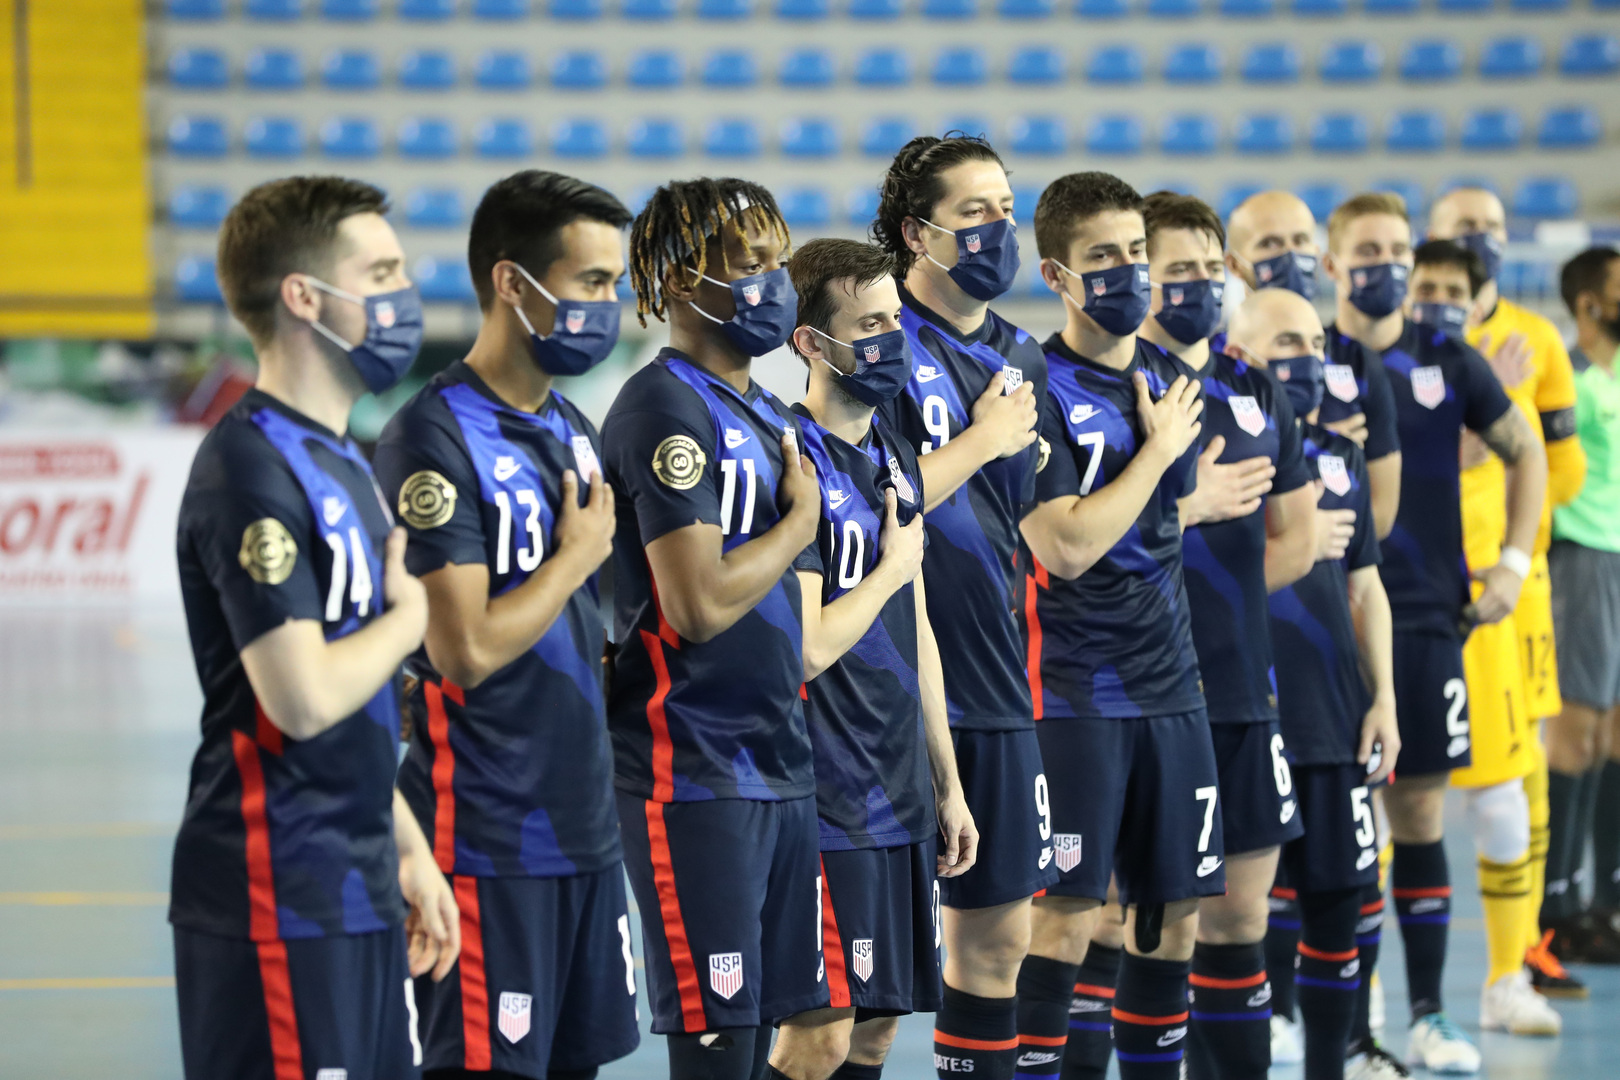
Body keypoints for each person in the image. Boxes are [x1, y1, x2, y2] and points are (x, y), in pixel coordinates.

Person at [171, 177, 459, 1080]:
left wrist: (407, 849)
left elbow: (361, 704)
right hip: (277, 893)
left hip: (358, 882)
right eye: (380, 272)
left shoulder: (343, 455)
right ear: (304, 297)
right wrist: (410, 616)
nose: (404, 295)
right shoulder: (248, 469)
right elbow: (301, 698)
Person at [373, 171, 640, 1080]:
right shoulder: (432, 438)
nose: (611, 306)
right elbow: (464, 652)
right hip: (486, 840)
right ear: (512, 284)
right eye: (591, 282)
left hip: (584, 833)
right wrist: (578, 554)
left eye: (616, 285)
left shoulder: (571, 424)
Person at [602, 178, 826, 1080]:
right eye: (749, 267)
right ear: (677, 282)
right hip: (691, 767)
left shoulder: (767, 410)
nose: (773, 283)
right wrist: (795, 530)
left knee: (807, 1028)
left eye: (778, 263)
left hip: (779, 760)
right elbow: (693, 606)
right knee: (720, 1041)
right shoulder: (664, 408)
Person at [1326, 196, 1549, 1074]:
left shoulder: (1446, 357)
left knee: (1417, 815)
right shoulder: (1306, 356)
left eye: (1395, 250)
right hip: (1320, 622)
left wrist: (1514, 566)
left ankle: (1428, 1016)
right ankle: (1350, 1023)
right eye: (1366, 251)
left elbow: (1525, 450)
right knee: (1338, 829)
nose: (1382, 265)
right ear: (1335, 262)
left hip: (1423, 618)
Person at [1019, 171, 1218, 1080]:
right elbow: (1066, 546)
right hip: (1075, 690)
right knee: (1065, 914)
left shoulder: (1171, 379)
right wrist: (1159, 460)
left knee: (1173, 917)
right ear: (1058, 276)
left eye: (1137, 253)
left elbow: (1167, 529)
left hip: (1172, 685)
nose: (1130, 273)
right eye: (1104, 258)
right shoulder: (1029, 386)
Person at [765, 238, 979, 1080]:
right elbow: (808, 647)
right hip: (826, 791)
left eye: (897, 317)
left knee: (880, 1026)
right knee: (818, 1033)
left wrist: (947, 784)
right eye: (871, 323)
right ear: (811, 343)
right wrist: (892, 565)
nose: (894, 337)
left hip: (898, 789)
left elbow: (916, 625)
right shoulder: (789, 456)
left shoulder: (895, 456)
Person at [868, 134, 1058, 1080]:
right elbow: (865, 501)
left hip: (999, 688)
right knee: (857, 998)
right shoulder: (875, 340)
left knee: (998, 950)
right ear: (918, 231)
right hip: (889, 692)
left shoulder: (1023, 354)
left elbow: (1038, 524)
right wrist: (981, 442)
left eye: (1006, 209)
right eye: (975, 211)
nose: (998, 229)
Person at [1140, 193, 1319, 1080]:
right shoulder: (1116, 383)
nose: (1200, 286)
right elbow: (1070, 549)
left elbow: (1296, 539)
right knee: (1136, 925)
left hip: (1244, 692)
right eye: (1178, 271)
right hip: (1139, 698)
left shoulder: (1253, 387)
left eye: (1213, 269)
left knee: (1239, 921)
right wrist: (1186, 509)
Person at [1226, 287, 1401, 1080]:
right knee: (1230, 919)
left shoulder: (1344, 457)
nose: (1306, 359)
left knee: (1341, 903)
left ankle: (1335, 1064)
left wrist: (1385, 698)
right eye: (1284, 343)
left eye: (1313, 343)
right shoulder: (1209, 450)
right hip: (1244, 712)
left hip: (1333, 715)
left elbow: (1367, 588)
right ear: (1241, 351)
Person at [1224, 190, 1402, 540]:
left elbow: (1381, 514)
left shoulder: (1356, 361)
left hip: (1339, 576)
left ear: (1318, 253)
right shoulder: (1218, 363)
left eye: (1300, 241)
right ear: (1234, 264)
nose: (1289, 256)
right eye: (1271, 244)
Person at [1543, 246, 1620, 964]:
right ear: (1590, 303)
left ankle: (1607, 901)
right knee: (1577, 733)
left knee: (1615, 735)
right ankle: (1556, 909)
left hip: (1618, 557)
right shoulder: (1567, 375)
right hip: (1583, 559)